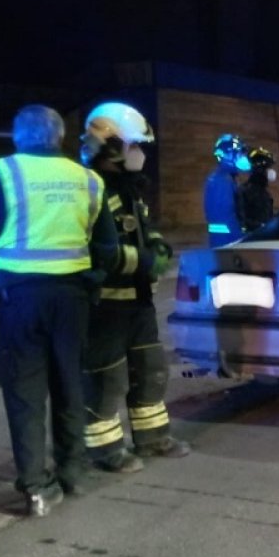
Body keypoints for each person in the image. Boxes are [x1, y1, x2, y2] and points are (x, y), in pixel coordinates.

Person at [0, 104, 117, 516]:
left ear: (17, 136)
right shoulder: (88, 179)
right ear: (59, 137)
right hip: (72, 299)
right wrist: (93, 279)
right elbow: (107, 250)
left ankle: (36, 487)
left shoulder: (1, 174)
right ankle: (74, 472)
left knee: (25, 392)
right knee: (70, 385)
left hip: (19, 299)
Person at [79, 102, 191, 475]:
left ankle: (153, 438)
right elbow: (95, 251)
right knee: (106, 379)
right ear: (109, 146)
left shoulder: (129, 189)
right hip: (105, 304)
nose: (140, 154)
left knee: (150, 369)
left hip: (138, 303)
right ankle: (106, 451)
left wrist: (158, 245)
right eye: (134, 145)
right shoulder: (90, 190)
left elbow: (142, 227)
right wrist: (143, 261)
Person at [204, 133, 250, 247]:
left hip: (225, 239)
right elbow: (225, 215)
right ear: (227, 155)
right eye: (239, 153)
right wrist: (242, 236)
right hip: (226, 241)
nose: (242, 157)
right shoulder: (221, 182)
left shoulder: (226, 178)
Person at [240, 146, 276, 232]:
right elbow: (244, 220)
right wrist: (263, 227)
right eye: (268, 168)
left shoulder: (260, 191)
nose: (271, 172)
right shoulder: (251, 192)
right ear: (261, 169)